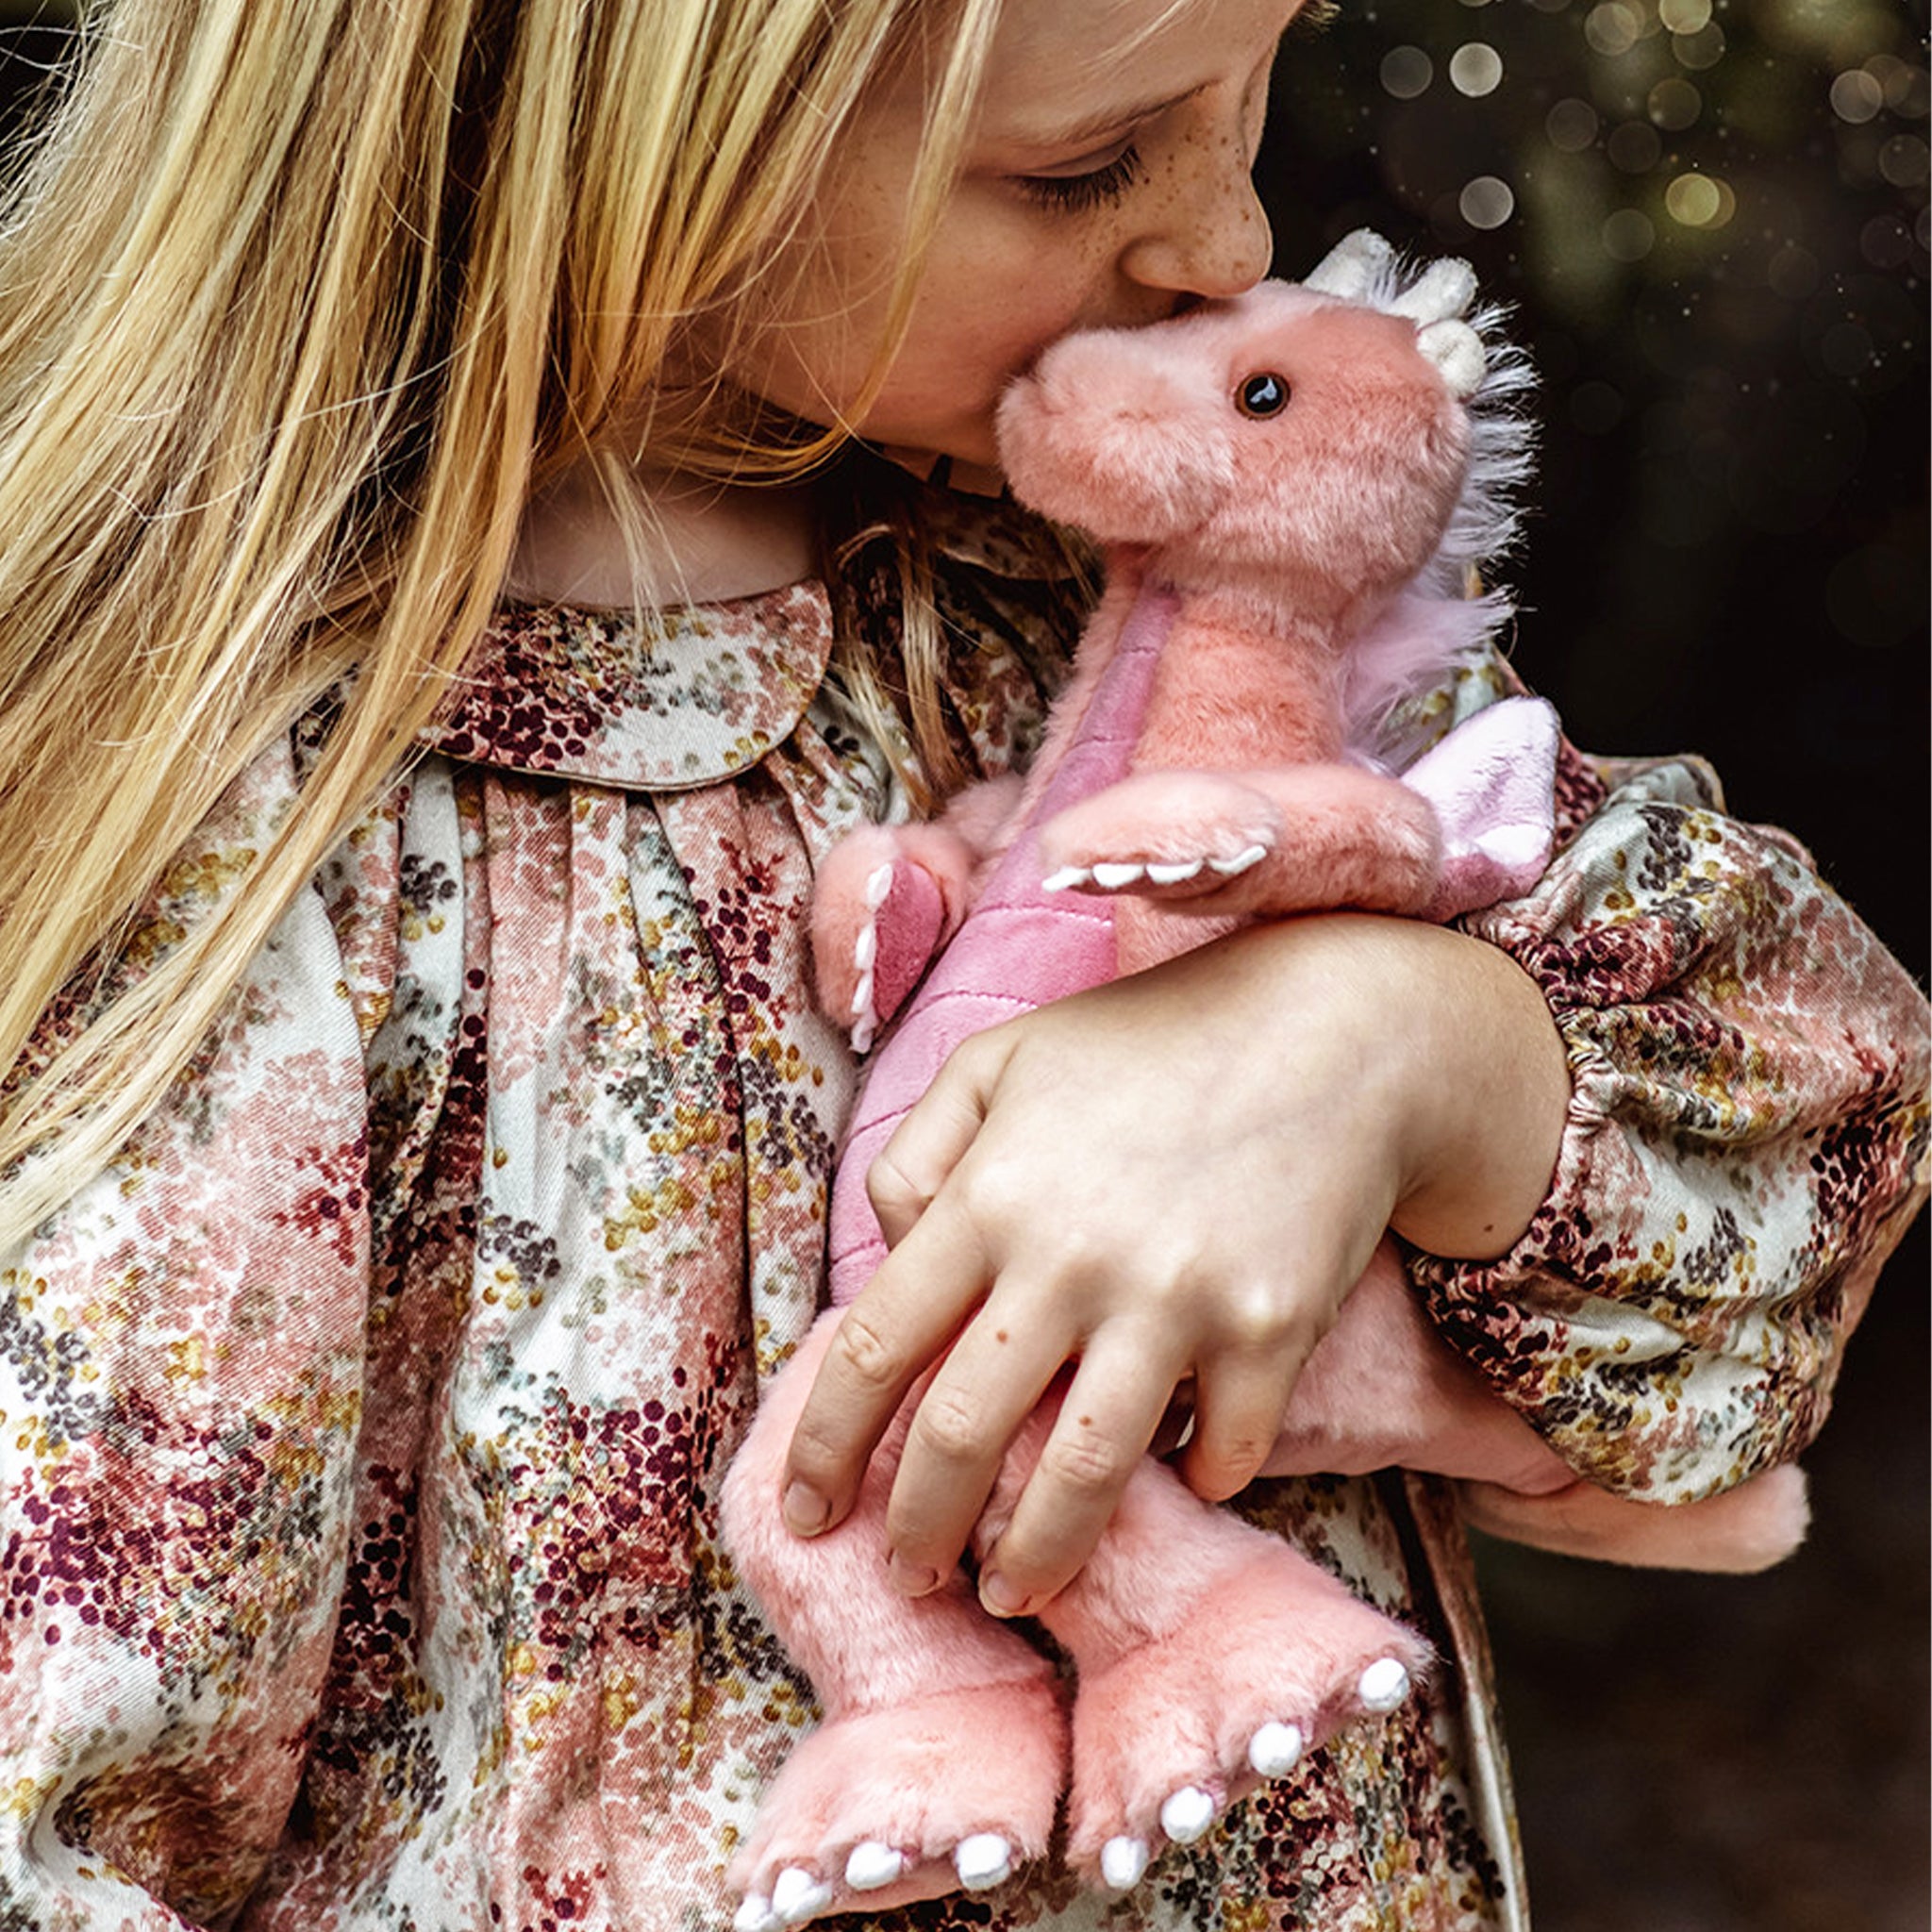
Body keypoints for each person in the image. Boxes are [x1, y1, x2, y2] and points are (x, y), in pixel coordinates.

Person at [0, 1, 1921, 1928]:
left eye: (1253, 100)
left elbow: (1823, 1138)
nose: (1232, 245)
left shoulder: (1158, 608)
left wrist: (1400, 1045)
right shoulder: (243, 846)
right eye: (1086, 165)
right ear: (575, 120)